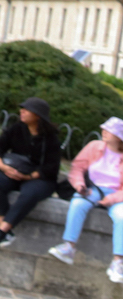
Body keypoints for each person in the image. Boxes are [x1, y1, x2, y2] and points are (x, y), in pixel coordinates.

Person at [47, 118, 123, 284]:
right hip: (92, 188)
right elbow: (77, 168)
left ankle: (118, 262)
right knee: (78, 204)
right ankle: (69, 246)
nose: (104, 132)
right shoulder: (93, 147)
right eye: (103, 129)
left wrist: (111, 199)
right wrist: (80, 185)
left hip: (118, 195)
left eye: (109, 131)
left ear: (119, 137)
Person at [0, 99, 64, 249]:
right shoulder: (16, 129)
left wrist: (28, 177)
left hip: (39, 177)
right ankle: (2, 220)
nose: (22, 111)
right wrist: (4, 167)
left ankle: (4, 230)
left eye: (26, 110)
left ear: (38, 116)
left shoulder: (51, 139)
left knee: (29, 194)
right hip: (14, 170)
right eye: (22, 108)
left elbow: (51, 168)